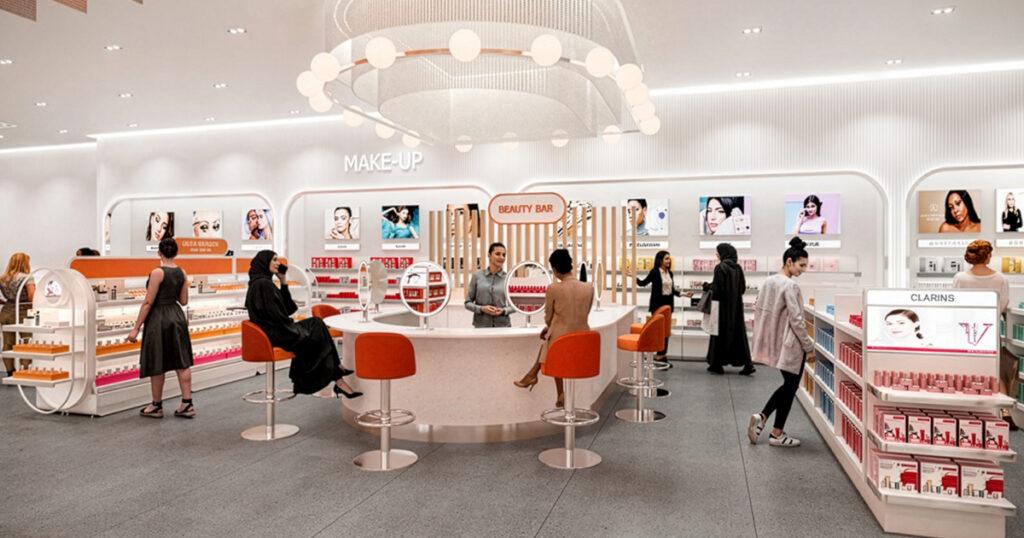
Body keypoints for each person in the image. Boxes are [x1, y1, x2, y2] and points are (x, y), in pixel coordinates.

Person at [244, 250, 361, 399]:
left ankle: (338, 375)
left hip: (276, 330)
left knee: (317, 324)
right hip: (276, 334)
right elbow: (278, 316)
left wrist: (283, 281)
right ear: (264, 262)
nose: (278, 263)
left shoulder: (263, 282)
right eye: (274, 260)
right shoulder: (263, 284)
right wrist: (294, 327)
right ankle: (337, 374)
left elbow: (289, 309)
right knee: (316, 329)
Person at [747, 237, 814, 447]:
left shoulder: (769, 281)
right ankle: (771, 426)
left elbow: (760, 310)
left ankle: (769, 425)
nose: (804, 270)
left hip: (774, 341)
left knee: (788, 386)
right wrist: (809, 347)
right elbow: (797, 320)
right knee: (790, 386)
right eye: (801, 265)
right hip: (791, 345)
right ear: (789, 262)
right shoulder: (791, 286)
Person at [513, 249, 593, 408]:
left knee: (551, 342)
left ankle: (538, 379)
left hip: (561, 345)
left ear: (555, 270)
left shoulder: (553, 288)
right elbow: (584, 314)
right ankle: (557, 393)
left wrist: (549, 327)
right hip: (583, 343)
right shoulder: (589, 288)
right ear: (570, 265)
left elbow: (548, 317)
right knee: (552, 340)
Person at [127, 238, 196, 418]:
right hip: (177, 317)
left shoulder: (157, 272)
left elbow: (148, 302)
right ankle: (187, 403)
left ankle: (156, 405)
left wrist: (135, 328)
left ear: (159, 252)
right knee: (182, 361)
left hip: (159, 319)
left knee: (158, 361)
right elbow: (184, 301)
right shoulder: (182, 272)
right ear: (176, 252)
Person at [952, 239, 1017, 428]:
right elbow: (1003, 304)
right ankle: (1002, 412)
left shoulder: (960, 278)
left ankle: (967, 410)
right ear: (988, 256)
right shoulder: (1000, 279)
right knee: (994, 371)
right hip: (988, 331)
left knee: (966, 371)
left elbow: (953, 303)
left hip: (963, 332)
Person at [630, 250, 690, 362]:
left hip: (668, 306)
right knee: (658, 331)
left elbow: (672, 290)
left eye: (669, 258)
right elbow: (643, 283)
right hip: (657, 305)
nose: (669, 260)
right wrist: (634, 277)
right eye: (666, 258)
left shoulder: (670, 273)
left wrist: (684, 294)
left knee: (666, 331)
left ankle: (661, 354)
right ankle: (658, 354)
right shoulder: (654, 272)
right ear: (660, 260)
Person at [704, 243, 755, 375]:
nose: (716, 255)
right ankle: (748, 364)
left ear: (723, 253)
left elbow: (717, 289)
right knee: (739, 336)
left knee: (718, 335)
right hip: (736, 308)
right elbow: (743, 289)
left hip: (721, 308)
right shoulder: (738, 268)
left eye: (718, 252)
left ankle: (716, 364)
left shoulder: (720, 268)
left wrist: (707, 286)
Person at [1, 253, 36, 376]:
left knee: (8, 342)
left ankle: (10, 371)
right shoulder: (27, 277)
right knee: (27, 342)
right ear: (25, 263)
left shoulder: (3, 278)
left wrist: (5, 302)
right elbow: (32, 296)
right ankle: (24, 370)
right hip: (23, 311)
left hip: (6, 311)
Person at [465, 242, 512, 328]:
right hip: (481, 326)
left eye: (504, 255)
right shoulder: (477, 276)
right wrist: (482, 309)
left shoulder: (508, 278)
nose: (501, 257)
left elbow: (515, 305)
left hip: (503, 326)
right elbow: (467, 303)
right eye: (497, 254)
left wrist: (504, 311)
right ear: (489, 255)